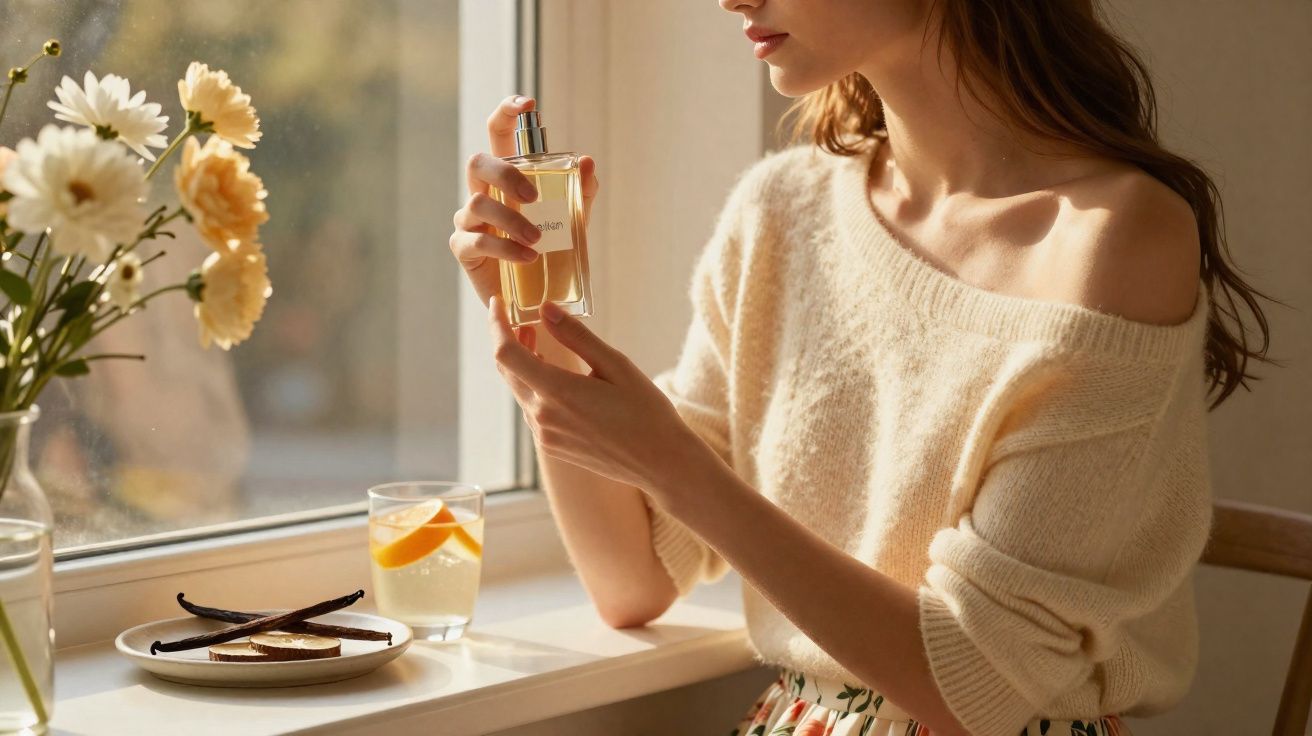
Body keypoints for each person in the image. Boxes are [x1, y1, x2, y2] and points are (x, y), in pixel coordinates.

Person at [448, 1, 1277, 734]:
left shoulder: (1116, 238)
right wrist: (536, 318)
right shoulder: (781, 212)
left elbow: (974, 689)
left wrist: (675, 468)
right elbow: (631, 577)